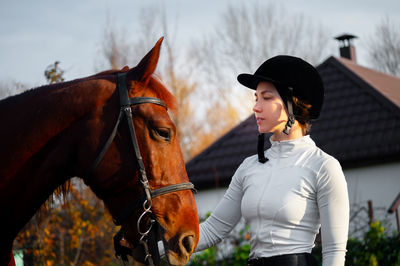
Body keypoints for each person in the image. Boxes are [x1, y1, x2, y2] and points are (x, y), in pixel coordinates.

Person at [195, 55, 350, 266]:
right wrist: (150, 246)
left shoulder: (323, 166)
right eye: (256, 98)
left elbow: (334, 252)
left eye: (266, 98)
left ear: (293, 103)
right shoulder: (248, 167)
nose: (256, 107)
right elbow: (212, 229)